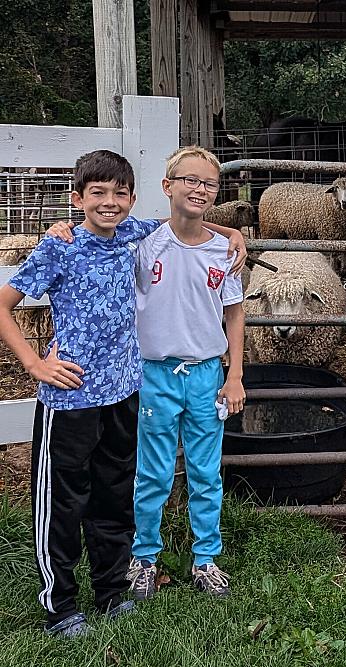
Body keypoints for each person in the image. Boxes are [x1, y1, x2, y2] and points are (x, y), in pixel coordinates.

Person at [0, 150, 156, 637]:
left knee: (114, 494)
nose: (110, 202)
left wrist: (232, 232)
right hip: (71, 397)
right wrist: (33, 363)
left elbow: (185, 224)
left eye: (119, 193)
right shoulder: (58, 248)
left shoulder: (132, 233)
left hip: (122, 392)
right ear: (78, 198)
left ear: (131, 199)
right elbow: (5, 304)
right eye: (98, 193)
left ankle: (110, 593)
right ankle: (61, 606)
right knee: (63, 503)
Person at [126, 146, 245, 600]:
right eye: (190, 180)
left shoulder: (223, 251)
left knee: (205, 471)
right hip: (155, 373)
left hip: (206, 376)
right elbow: (100, 229)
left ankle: (206, 559)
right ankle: (144, 557)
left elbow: (233, 314)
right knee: (153, 471)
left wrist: (234, 375)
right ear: (167, 186)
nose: (199, 189)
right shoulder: (144, 244)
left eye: (209, 183)